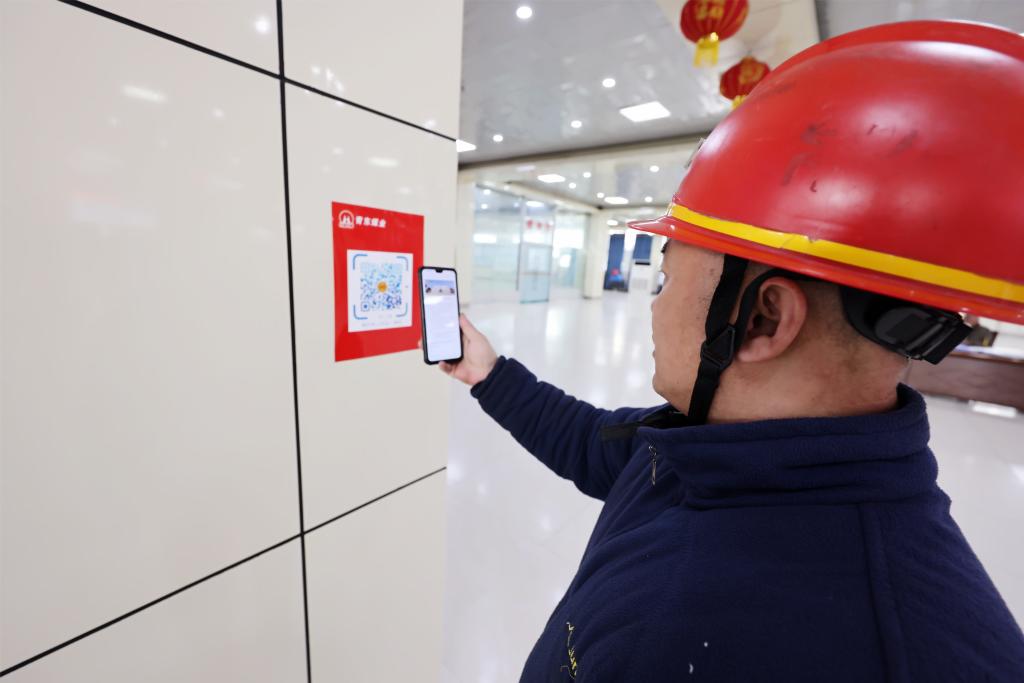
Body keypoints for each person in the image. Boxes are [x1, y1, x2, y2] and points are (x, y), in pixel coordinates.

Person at [436, 21, 1024, 682]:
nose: (654, 306)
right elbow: (600, 446)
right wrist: (487, 373)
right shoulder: (724, 447)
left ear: (763, 319)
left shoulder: (882, 649)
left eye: (666, 279)